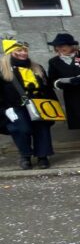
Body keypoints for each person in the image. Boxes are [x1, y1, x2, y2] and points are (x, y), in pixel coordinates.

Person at [1, 39, 56, 169]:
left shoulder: (37, 67)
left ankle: (42, 156)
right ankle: (25, 155)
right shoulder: (3, 70)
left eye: (25, 50)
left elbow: (47, 88)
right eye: (19, 50)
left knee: (42, 128)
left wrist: (53, 105)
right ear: (10, 52)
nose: (23, 53)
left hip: (38, 103)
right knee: (20, 129)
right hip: (15, 106)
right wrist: (4, 109)